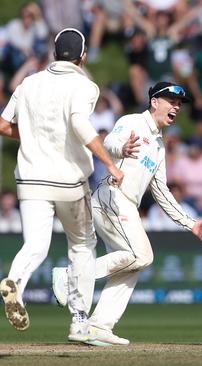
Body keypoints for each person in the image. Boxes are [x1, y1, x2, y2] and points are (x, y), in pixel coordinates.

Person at [51, 81, 202, 346]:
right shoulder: (132, 121)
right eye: (171, 102)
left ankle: (98, 326)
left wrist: (190, 224)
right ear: (154, 102)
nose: (176, 107)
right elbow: (110, 141)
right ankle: (71, 276)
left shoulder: (160, 146)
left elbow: (161, 190)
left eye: (179, 104)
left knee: (133, 265)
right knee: (142, 255)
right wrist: (121, 149)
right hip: (111, 197)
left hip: (125, 203)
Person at [0, 28, 124, 341]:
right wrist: (109, 163)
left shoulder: (29, 82)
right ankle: (79, 320)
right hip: (68, 180)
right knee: (82, 246)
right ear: (83, 56)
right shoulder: (84, 85)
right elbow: (79, 123)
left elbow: (3, 124)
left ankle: (14, 281)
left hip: (30, 179)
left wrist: (30, 134)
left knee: (35, 246)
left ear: (55, 53)